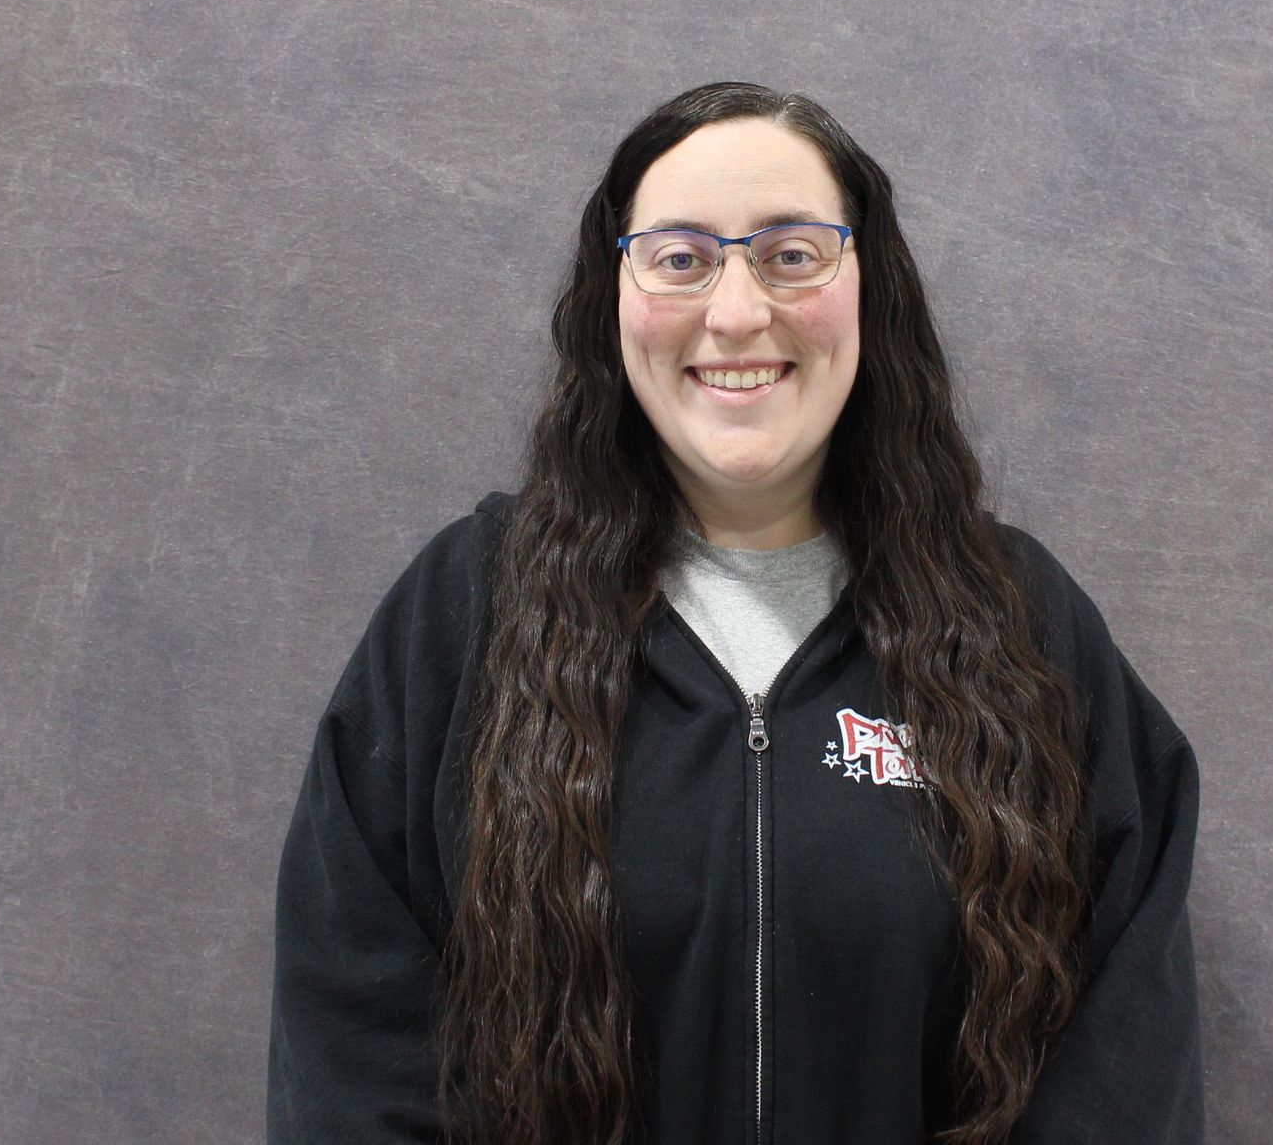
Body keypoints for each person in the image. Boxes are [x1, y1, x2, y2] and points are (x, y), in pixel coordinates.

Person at [265, 81, 1205, 1144]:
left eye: (792, 252)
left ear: (870, 288)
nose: (738, 310)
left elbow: (1127, 1071)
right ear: (612, 296)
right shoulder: (463, 620)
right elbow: (352, 1053)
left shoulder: (1023, 632)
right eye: (680, 257)